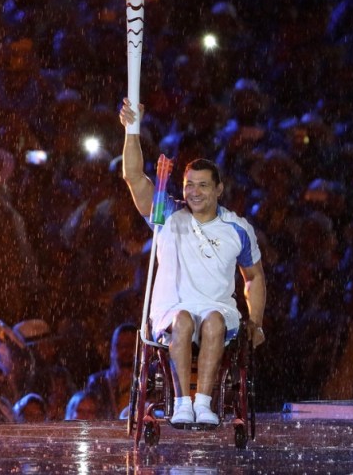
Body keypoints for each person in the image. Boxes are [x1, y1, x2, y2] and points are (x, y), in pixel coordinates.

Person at [118, 98, 266, 427]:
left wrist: (255, 322)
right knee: (184, 321)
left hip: (217, 307)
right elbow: (132, 175)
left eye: (202, 185)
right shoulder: (166, 214)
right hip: (172, 308)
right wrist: (133, 129)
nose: (194, 192)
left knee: (212, 320)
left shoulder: (238, 228)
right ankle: (182, 404)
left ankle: (204, 404)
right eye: (188, 185)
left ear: (218, 190)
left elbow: (253, 277)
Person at [84, 323, 138, 420]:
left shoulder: (150, 381)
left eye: (131, 345)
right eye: (121, 346)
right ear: (112, 349)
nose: (126, 350)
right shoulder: (97, 382)